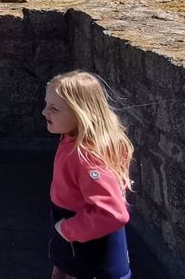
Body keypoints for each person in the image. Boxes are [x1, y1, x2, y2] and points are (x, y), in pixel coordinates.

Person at [42, 71, 133, 279]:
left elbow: (113, 214)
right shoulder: (71, 138)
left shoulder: (87, 157)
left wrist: (67, 229)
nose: (44, 111)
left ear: (81, 113)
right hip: (75, 241)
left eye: (54, 108)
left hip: (89, 249)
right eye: (47, 104)